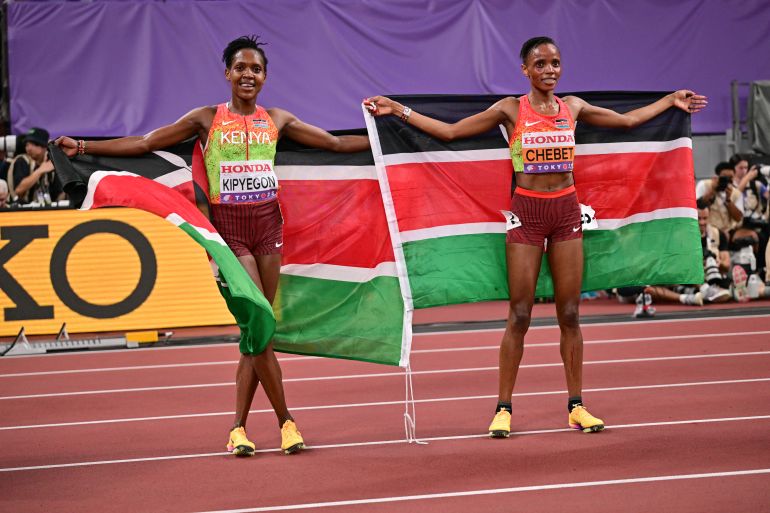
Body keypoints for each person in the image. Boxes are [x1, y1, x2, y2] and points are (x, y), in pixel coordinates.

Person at [366, 36, 707, 437]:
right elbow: (452, 132)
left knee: (569, 314)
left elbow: (628, 121)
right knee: (521, 314)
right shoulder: (511, 109)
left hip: (566, 214)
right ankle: (503, 408)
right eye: (540, 64)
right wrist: (398, 110)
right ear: (525, 70)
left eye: (556, 63)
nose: (549, 70)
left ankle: (577, 406)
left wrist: (670, 101)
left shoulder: (573, 107)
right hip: (526, 216)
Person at [56, 35, 369, 457]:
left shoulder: (278, 119)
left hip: (269, 228)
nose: (248, 75)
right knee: (258, 321)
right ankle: (286, 421)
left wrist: (389, 140)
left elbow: (334, 144)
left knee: (256, 330)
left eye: (256, 69)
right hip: (229, 233)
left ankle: (238, 428)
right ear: (227, 73)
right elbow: (148, 143)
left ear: (265, 77)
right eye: (240, 67)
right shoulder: (206, 118)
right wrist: (85, 146)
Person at [8, 127, 64, 206]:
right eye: (27, 144)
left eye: (33, 144)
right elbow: (18, 191)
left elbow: (60, 194)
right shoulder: (22, 161)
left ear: (43, 147)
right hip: (23, 209)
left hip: (50, 209)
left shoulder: (52, 162)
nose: (28, 148)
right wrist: (40, 170)